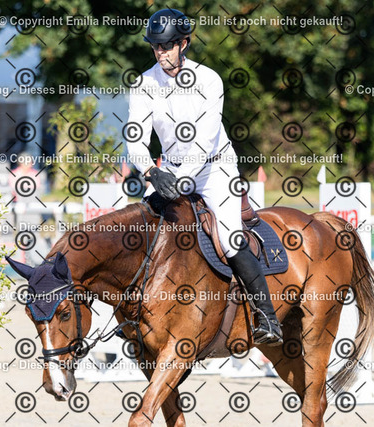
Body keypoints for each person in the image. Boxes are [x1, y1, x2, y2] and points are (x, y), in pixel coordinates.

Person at [125, 9, 282, 345]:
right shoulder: (143, 84)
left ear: (184, 43)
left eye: (167, 45)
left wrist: (179, 180)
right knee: (140, 228)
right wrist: (151, 171)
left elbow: (204, 139)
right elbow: (135, 137)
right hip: (168, 170)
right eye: (156, 46)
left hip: (214, 169)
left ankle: (266, 316)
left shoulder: (209, 80)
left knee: (230, 238)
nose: (161, 52)